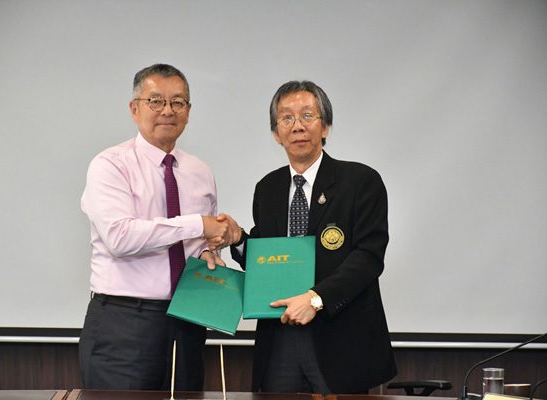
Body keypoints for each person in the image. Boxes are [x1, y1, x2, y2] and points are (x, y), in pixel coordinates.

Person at [227, 80, 397, 394]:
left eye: (307, 115)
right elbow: (267, 258)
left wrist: (316, 299)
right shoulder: (267, 188)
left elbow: (368, 257)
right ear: (276, 133)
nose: (297, 126)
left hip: (341, 338)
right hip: (280, 338)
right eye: (286, 118)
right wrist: (237, 239)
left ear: (325, 126)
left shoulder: (360, 181)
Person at [79, 63, 237, 390]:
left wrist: (210, 251)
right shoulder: (110, 165)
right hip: (124, 325)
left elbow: (201, 242)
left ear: (188, 112)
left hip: (188, 320)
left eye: (177, 102)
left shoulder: (200, 172)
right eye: (155, 101)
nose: (167, 110)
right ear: (134, 108)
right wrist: (198, 224)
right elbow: (120, 238)